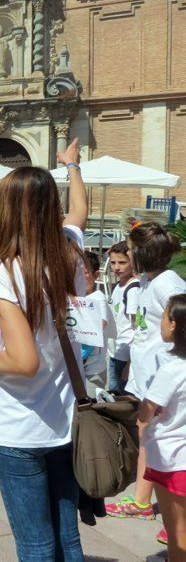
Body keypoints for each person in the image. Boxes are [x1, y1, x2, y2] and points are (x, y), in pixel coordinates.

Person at [0, 138, 88, 560]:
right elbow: (79, 214)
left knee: (35, 542)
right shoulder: (67, 251)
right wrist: (72, 168)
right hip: (66, 420)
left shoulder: (5, 271)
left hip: (20, 426)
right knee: (67, 536)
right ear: (51, 209)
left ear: (5, 212)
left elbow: (23, 361)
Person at [106, 222, 185, 521]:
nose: (126, 252)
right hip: (146, 375)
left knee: (157, 439)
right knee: (147, 436)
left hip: (164, 378)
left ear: (143, 253)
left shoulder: (169, 284)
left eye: (130, 248)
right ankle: (145, 502)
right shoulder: (150, 281)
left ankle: (158, 509)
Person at [138, 294, 186, 556]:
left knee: (177, 535)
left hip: (172, 460)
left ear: (174, 325)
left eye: (164, 316)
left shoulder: (172, 370)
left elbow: (144, 413)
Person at [81, 250, 116, 396]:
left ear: (96, 275)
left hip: (93, 368)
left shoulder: (98, 297)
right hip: (75, 365)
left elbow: (100, 324)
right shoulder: (74, 296)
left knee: (92, 406)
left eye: (84, 273)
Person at [107, 241, 140, 393]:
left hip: (125, 355)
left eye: (122, 262)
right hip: (115, 351)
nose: (116, 267)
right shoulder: (118, 286)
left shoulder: (133, 289)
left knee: (120, 399)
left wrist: (130, 363)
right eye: (113, 262)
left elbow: (138, 328)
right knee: (114, 395)